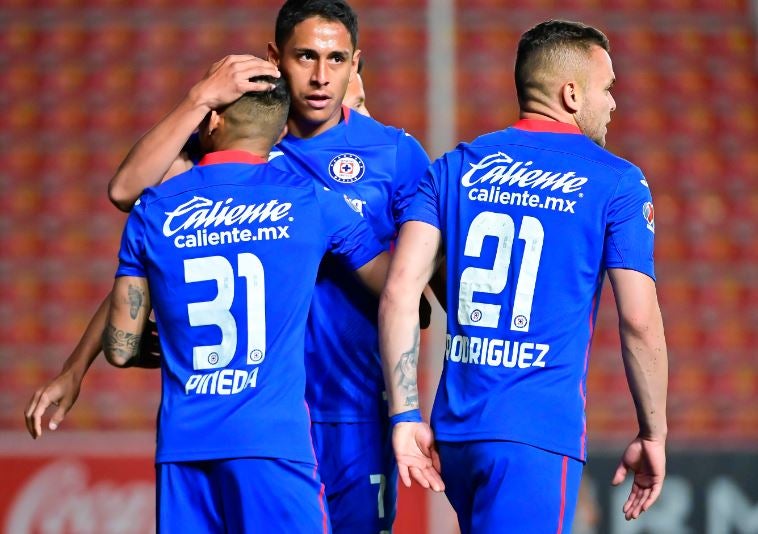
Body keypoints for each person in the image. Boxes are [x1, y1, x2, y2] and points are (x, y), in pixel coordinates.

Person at [26, 2, 430, 532]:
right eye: (306, 56)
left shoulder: (395, 153)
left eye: (336, 60)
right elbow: (135, 209)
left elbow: (417, 292)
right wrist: (76, 366)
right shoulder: (240, 135)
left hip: (349, 407)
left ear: (356, 64)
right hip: (270, 415)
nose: (320, 76)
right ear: (274, 58)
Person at [378, 19, 668, 533]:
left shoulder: (452, 167)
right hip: (535, 434)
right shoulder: (617, 182)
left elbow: (400, 291)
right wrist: (654, 433)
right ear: (572, 94)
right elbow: (639, 321)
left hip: (457, 432)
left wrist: (405, 416)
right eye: (608, 89)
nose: (614, 104)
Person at [103, 75, 390, 532]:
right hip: (272, 441)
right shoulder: (311, 200)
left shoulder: (153, 208)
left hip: (184, 447)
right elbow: (396, 286)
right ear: (278, 134)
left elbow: (119, 349)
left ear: (211, 120)